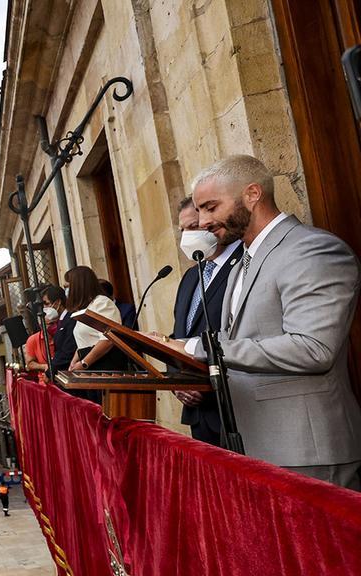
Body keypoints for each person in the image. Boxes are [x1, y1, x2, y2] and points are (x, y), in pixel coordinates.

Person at [154, 154, 361, 488]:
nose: (203, 221)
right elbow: (242, 339)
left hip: (306, 451)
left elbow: (313, 348)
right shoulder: (241, 262)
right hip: (252, 445)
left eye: (211, 207)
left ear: (252, 194)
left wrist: (196, 346)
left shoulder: (311, 249)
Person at [169, 195, 244, 447]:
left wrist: (207, 384)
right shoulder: (190, 277)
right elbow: (177, 336)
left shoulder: (244, 263)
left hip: (233, 408)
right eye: (182, 230)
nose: (186, 237)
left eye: (192, 227)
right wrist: (177, 382)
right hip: (198, 416)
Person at [65, 266, 125, 376]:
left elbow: (108, 339)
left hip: (104, 366)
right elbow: (84, 340)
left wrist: (84, 363)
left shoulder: (102, 303)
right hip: (90, 367)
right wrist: (74, 361)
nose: (66, 291)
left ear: (79, 286)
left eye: (68, 286)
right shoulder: (87, 307)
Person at [24, 285, 65, 380]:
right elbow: (29, 364)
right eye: (49, 324)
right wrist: (45, 366)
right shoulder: (33, 340)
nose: (52, 326)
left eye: (55, 323)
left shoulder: (62, 334)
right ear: (41, 325)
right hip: (45, 382)